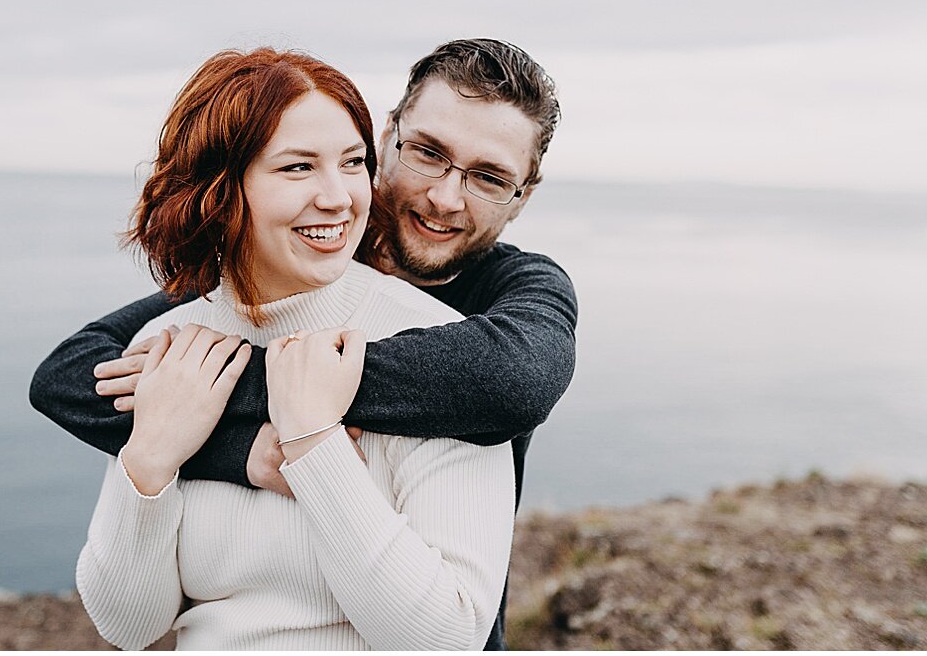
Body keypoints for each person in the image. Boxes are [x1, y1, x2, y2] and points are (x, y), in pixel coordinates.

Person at [31, 38, 578, 650]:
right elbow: (66, 376)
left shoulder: (492, 319)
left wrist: (308, 427)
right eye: (427, 154)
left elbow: (514, 380)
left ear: (523, 193)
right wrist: (172, 445)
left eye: (488, 177)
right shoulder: (179, 348)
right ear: (387, 138)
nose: (446, 198)